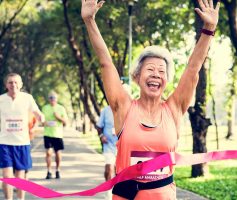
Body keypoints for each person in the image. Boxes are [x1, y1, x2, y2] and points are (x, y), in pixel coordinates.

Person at [81, 0, 219, 199]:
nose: (156, 75)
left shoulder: (174, 109)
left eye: (161, 71)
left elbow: (193, 69)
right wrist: (89, 21)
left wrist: (208, 29)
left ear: (166, 80)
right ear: (137, 77)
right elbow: (106, 63)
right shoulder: (124, 108)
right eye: (150, 70)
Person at [0, 73, 44, 200]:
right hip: (5, 142)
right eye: (10, 82)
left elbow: (37, 112)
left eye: (15, 82)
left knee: (20, 177)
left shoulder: (27, 98)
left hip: (22, 143)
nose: (13, 85)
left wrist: (41, 117)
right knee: (7, 176)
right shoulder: (1, 99)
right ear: (6, 85)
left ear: (21, 85)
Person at [42, 91, 67, 179]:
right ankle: (49, 171)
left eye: (54, 97)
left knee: (58, 153)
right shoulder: (45, 108)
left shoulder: (61, 108)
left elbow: (65, 122)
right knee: (48, 153)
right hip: (47, 133)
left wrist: (58, 117)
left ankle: (57, 170)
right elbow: (42, 121)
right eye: (51, 97)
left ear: (57, 99)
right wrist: (44, 122)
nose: (52, 99)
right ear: (49, 99)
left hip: (58, 134)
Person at [96, 105, 118, 200]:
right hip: (108, 144)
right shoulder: (105, 110)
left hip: (121, 145)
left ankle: (117, 191)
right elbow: (99, 126)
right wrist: (101, 136)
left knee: (119, 170)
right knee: (109, 168)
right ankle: (108, 192)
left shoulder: (125, 107)